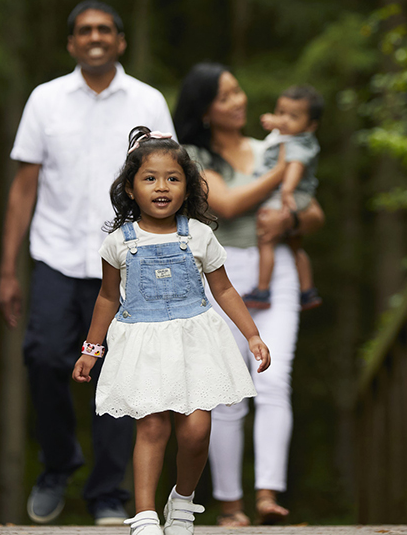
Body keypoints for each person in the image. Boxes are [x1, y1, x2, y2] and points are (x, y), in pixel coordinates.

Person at [0, 1, 176, 525]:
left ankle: (106, 495)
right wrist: (8, 269)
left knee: (118, 378)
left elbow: (169, 180)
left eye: (104, 30)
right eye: (83, 31)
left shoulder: (148, 101)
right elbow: (23, 188)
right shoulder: (45, 100)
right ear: (72, 43)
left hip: (129, 261)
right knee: (45, 356)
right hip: (55, 255)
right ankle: (57, 466)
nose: (94, 37)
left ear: (120, 41)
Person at [73, 126, 271, 535]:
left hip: (195, 341)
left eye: (172, 178)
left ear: (188, 188)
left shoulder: (198, 236)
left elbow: (224, 289)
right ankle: (144, 515)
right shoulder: (118, 243)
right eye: (149, 178)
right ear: (130, 188)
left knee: (197, 430)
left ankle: (182, 500)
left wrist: (251, 334)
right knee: (152, 425)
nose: (161, 187)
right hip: (142, 343)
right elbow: (108, 298)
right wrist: (92, 348)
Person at [173, 63, 325, 527]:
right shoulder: (192, 156)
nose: (239, 101)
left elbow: (314, 211)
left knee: (275, 380)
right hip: (217, 272)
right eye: (225, 97)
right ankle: (229, 505)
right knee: (226, 393)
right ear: (204, 110)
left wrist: (291, 221)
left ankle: (267, 495)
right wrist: (282, 169)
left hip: (273, 267)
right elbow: (229, 204)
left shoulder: (267, 147)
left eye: (238, 90)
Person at [240, 85, 324, 312]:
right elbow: (279, 125)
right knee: (295, 244)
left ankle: (262, 289)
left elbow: (295, 166)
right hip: (294, 193)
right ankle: (307, 291)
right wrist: (273, 121)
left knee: (266, 237)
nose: (284, 120)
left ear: (311, 125)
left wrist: (286, 191)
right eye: (281, 112)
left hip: (289, 193)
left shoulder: (298, 142)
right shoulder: (288, 135)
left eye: (293, 116)